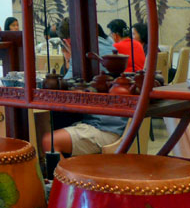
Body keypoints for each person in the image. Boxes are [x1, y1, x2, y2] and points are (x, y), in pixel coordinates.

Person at [42, 17, 128, 156]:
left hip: (106, 127)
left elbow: (64, 87)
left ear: (67, 41)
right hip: (122, 124)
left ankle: (60, 171)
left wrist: (70, 59)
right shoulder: (109, 46)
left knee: (49, 141)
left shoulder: (85, 56)